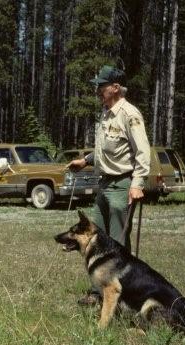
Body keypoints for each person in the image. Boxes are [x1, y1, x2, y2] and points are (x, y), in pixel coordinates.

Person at [67, 65, 151, 305]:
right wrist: (85, 161)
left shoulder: (129, 114)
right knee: (96, 241)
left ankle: (122, 297)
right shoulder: (106, 113)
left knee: (116, 247)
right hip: (104, 186)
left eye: (101, 86)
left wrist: (137, 183)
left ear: (115, 87)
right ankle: (98, 291)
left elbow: (142, 151)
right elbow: (106, 149)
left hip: (122, 185)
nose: (97, 90)